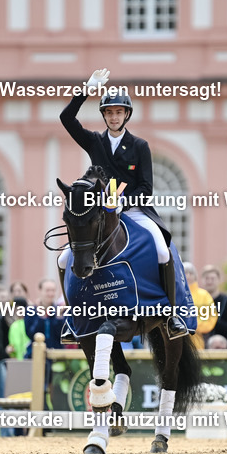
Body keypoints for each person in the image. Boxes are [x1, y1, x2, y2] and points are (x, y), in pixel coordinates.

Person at [59, 67, 188, 340]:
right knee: (63, 258)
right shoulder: (94, 141)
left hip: (133, 211)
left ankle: (172, 314)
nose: (114, 117)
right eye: (109, 112)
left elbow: (146, 188)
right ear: (104, 115)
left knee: (161, 248)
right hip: (100, 216)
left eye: (118, 112)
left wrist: (120, 202)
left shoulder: (140, 146)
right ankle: (73, 320)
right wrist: (86, 90)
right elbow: (66, 118)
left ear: (126, 115)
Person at [24, 278, 66, 357]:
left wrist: (59, 317)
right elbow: (30, 334)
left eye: (53, 290)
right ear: (40, 291)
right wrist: (41, 316)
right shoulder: (31, 310)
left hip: (57, 356)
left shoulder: (60, 310)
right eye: (47, 290)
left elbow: (63, 336)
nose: (50, 293)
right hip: (35, 355)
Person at [184, 262, 218, 349]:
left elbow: (212, 318)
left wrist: (193, 325)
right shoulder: (173, 295)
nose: (188, 276)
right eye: (184, 272)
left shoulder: (204, 295)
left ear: (195, 276)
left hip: (198, 342)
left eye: (190, 273)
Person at [201, 264, 227, 345]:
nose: (209, 281)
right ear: (202, 280)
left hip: (221, 348)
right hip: (201, 347)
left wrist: (212, 319)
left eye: (212, 279)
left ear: (219, 280)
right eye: (207, 278)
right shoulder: (197, 301)